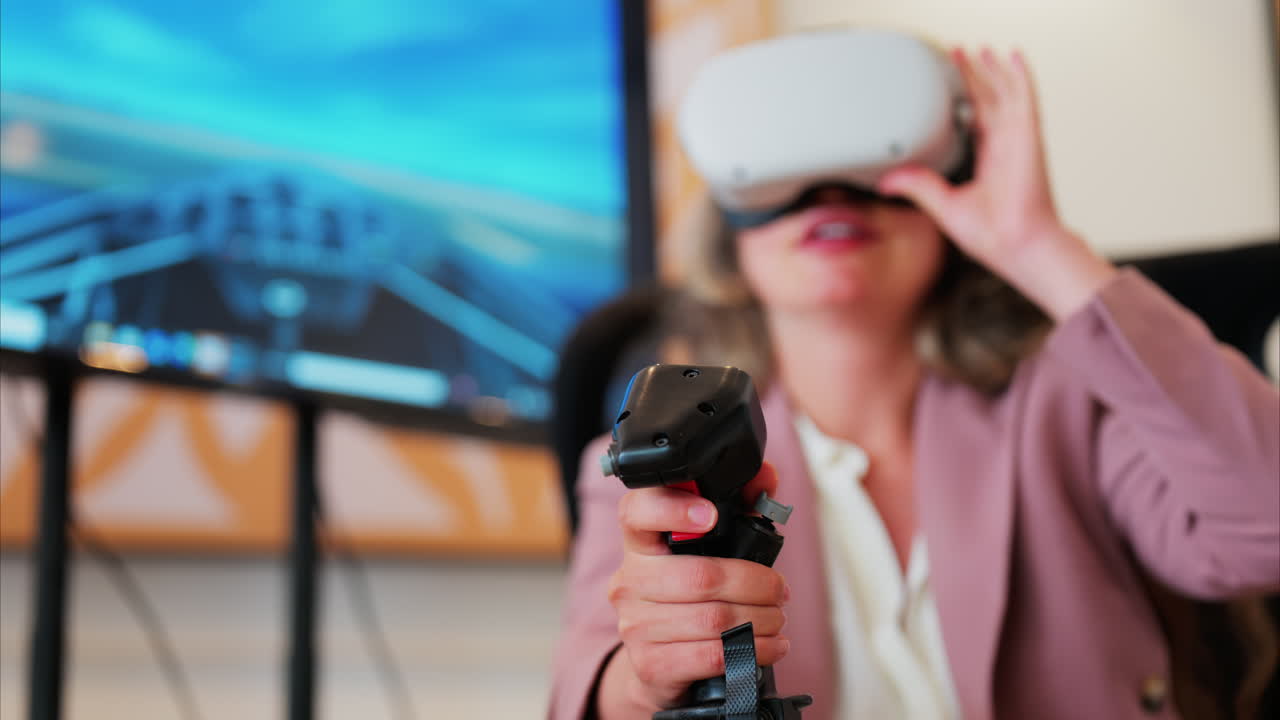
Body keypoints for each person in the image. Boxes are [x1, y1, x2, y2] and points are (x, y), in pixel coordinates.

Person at [549, 40, 1280, 720]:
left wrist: (1038, 246)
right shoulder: (664, 466)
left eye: (873, 169)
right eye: (786, 175)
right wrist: (650, 676)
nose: (832, 195)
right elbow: (585, 693)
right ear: (731, 237)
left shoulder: (1071, 410)